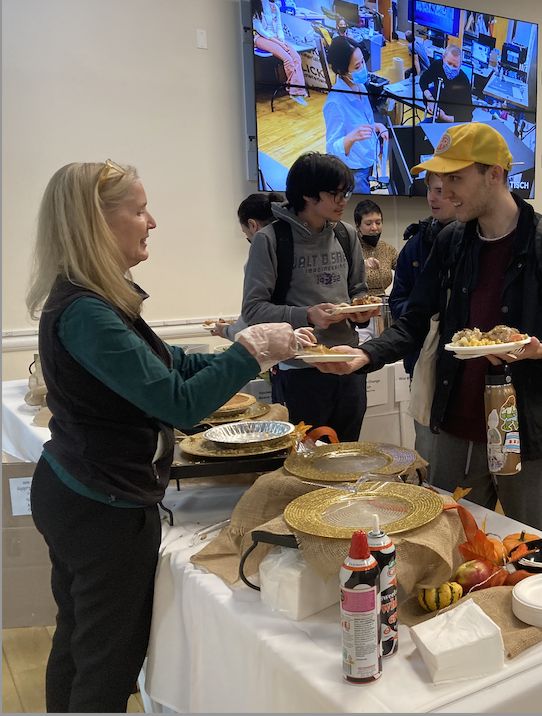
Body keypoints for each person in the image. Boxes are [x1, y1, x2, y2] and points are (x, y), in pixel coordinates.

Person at [24, 161, 303, 712]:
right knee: (108, 660)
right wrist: (249, 353)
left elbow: (166, 362)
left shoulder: (95, 299)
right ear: (95, 224)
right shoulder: (87, 313)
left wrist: (236, 350)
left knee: (81, 642)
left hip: (79, 493)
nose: (151, 222)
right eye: (138, 210)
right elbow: (177, 403)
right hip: (100, 506)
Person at [312, 123, 542, 536]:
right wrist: (366, 355)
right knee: (451, 551)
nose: (445, 190)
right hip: (456, 431)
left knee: (532, 554)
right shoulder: (452, 242)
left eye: (456, 178)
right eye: (440, 178)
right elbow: (416, 320)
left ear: (495, 174)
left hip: (533, 434)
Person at [241, 152, 380, 439]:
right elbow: (253, 310)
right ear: (306, 196)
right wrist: (306, 314)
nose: (344, 201)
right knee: (304, 461)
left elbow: (357, 290)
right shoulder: (271, 239)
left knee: (347, 456)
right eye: (335, 194)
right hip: (298, 370)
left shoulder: (346, 234)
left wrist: (360, 310)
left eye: (346, 193)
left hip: (348, 362)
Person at [390, 172, 458, 378]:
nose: (431, 198)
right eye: (429, 190)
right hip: (421, 362)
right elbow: (397, 299)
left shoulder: (479, 240)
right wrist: (424, 314)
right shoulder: (414, 245)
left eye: (439, 191)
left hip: (465, 363)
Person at [211, 191, 284, 341]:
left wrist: (226, 331)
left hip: (280, 344)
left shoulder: (261, 254)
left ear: (252, 225)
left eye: (246, 234)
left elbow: (254, 313)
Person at [324, 36, 389, 195]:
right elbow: (332, 149)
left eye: (363, 62)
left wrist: (375, 126)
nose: (363, 69)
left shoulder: (359, 85)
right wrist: (352, 137)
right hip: (355, 170)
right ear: (342, 70)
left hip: (368, 159)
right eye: (357, 65)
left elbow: (359, 120)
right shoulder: (335, 103)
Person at [251, 0, 308, 106]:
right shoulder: (254, 7)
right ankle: (295, 91)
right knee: (288, 59)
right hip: (261, 38)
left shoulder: (274, 7)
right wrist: (278, 42)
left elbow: (279, 27)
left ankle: (295, 89)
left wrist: (281, 40)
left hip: (277, 37)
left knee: (296, 57)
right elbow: (260, 30)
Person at [419, 44, 474, 123]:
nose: (451, 68)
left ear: (460, 64)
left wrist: (445, 117)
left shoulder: (464, 82)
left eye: (455, 66)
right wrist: (429, 99)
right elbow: (423, 80)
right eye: (449, 63)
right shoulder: (437, 65)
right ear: (444, 57)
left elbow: (467, 117)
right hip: (436, 117)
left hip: (453, 123)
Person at [353, 199, 397, 296]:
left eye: (378, 223)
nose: (374, 228)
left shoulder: (387, 249)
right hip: (356, 302)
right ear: (357, 225)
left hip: (382, 304)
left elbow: (406, 269)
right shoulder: (350, 248)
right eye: (368, 224)